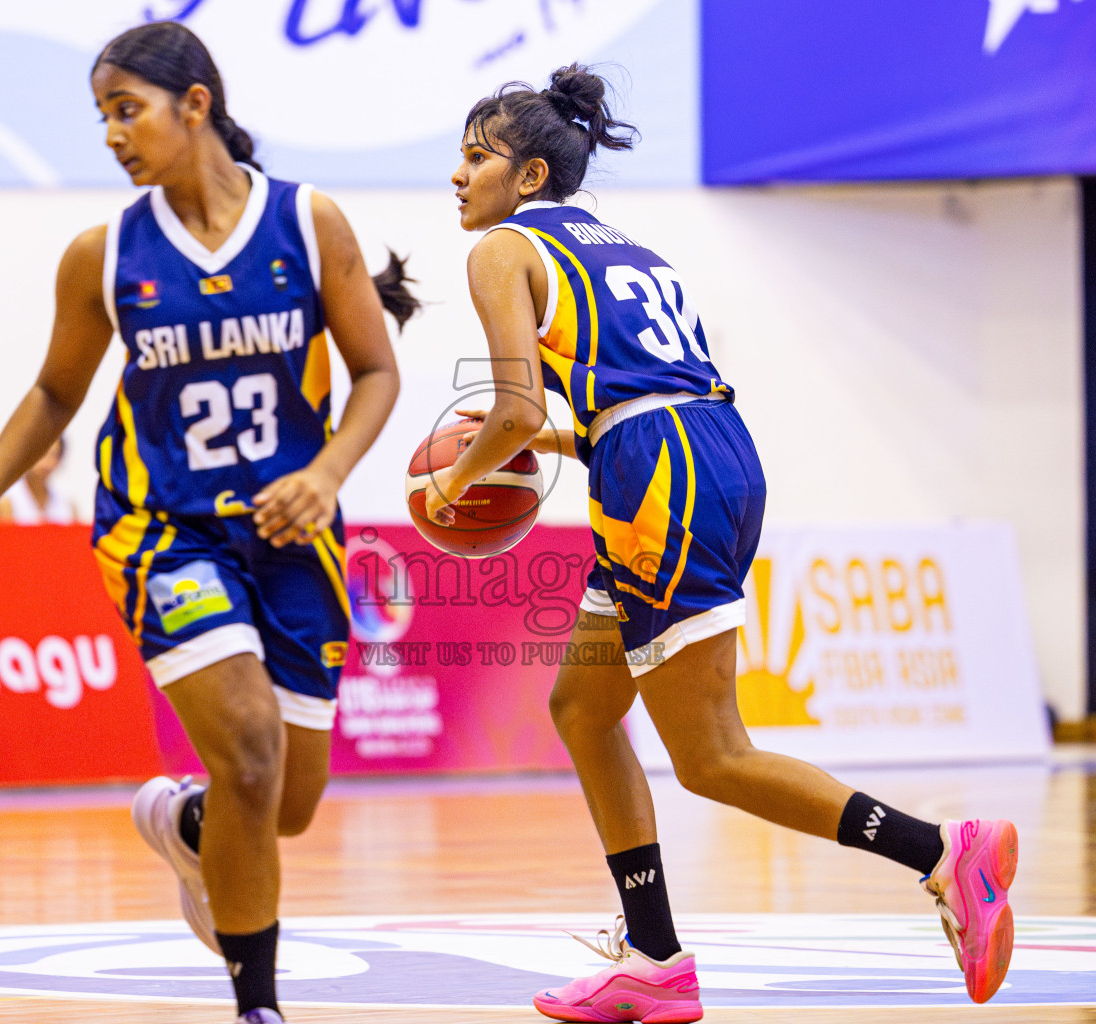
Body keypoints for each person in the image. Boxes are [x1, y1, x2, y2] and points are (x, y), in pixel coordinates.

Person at [432, 67, 1018, 1021]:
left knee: (710, 757)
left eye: (475, 157)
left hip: (660, 479)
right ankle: (653, 955)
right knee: (583, 706)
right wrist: (551, 439)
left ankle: (946, 853)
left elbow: (511, 409)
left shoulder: (502, 249)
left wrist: (450, 488)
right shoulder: (627, 247)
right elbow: (624, 399)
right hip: (691, 454)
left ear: (531, 173)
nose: (457, 177)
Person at [0, 23, 412, 1024]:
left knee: (283, 802)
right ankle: (259, 1007)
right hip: (163, 530)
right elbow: (56, 393)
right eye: (102, 115)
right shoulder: (102, 253)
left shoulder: (307, 220)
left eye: (127, 109)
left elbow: (377, 371)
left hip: (293, 533)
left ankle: (187, 823)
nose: (112, 134)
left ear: (195, 103)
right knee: (245, 749)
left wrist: (326, 472)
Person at [0, 437, 77, 523]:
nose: (46, 462)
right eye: (41, 454)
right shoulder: (7, 501)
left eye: (53, 455)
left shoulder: (67, 503)